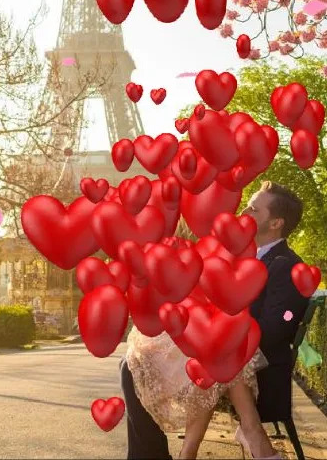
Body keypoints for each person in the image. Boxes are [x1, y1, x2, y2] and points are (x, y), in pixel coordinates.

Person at [120, 180, 310, 459]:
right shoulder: (233, 254)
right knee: (134, 360)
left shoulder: (289, 266)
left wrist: (232, 336)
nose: (244, 211)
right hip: (222, 347)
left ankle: (179, 452)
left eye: (254, 209)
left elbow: (285, 318)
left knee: (198, 361)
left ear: (275, 223)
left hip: (256, 358)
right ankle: (246, 433)